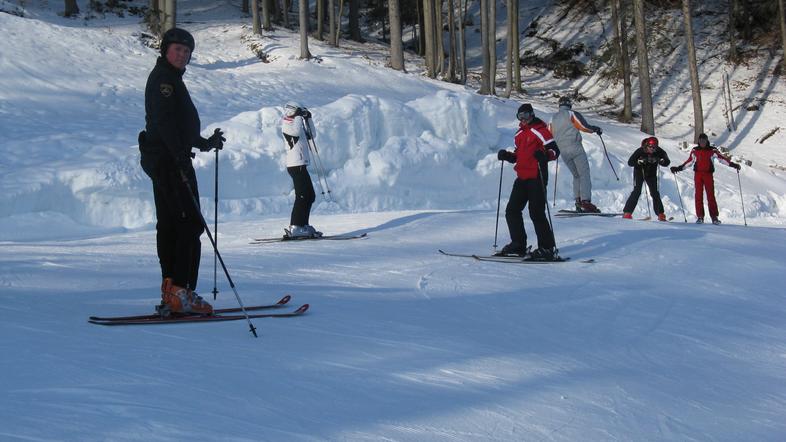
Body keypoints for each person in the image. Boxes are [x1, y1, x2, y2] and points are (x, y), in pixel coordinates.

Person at [138, 28, 225, 315]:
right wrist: (178, 156)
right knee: (188, 225)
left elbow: (175, 124)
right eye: (178, 49)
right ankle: (181, 292)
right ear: (165, 49)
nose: (183, 55)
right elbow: (163, 123)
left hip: (166, 160)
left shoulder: (170, 78)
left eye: (187, 52)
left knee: (173, 225)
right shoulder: (164, 80)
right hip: (169, 162)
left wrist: (203, 143)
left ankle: (173, 291)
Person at [496, 103, 561, 260]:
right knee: (512, 211)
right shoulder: (519, 134)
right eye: (520, 116)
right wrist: (507, 156)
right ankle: (518, 244)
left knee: (536, 212)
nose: (523, 119)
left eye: (526, 115)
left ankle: (547, 248)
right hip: (522, 177)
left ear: (531, 115)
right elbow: (519, 155)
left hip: (537, 176)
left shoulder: (540, 130)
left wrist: (544, 155)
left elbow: (554, 150)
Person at [670, 133, 740, 225]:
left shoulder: (712, 150)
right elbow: (689, 162)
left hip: (708, 175)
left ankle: (714, 217)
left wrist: (733, 165)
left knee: (710, 196)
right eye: (701, 141)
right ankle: (700, 217)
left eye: (704, 141)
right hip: (698, 175)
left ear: (707, 141)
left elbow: (722, 159)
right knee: (698, 196)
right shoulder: (695, 150)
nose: (702, 143)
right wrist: (679, 168)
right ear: (698, 141)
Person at [549, 96, 603, 213]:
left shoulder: (552, 118)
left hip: (563, 152)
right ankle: (586, 202)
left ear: (559, 105)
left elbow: (550, 134)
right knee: (584, 174)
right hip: (575, 148)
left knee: (576, 175)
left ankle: (578, 201)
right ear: (569, 104)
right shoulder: (571, 114)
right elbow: (583, 127)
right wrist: (596, 129)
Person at [282, 102, 322, 239]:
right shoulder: (287, 124)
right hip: (295, 165)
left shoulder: (297, 122)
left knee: (310, 195)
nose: (300, 113)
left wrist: (308, 118)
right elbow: (297, 132)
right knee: (302, 196)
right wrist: (299, 116)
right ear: (291, 111)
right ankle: (295, 227)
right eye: (298, 111)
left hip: (301, 164)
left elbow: (312, 135)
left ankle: (303, 225)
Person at [622, 136, 670, 221]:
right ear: (647, 145)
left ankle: (660, 214)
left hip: (651, 174)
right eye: (650, 147)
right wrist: (638, 161)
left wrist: (661, 161)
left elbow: (667, 161)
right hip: (639, 172)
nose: (652, 149)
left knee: (655, 193)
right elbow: (630, 162)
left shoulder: (659, 151)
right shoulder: (640, 151)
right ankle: (627, 212)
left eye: (654, 147)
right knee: (637, 191)